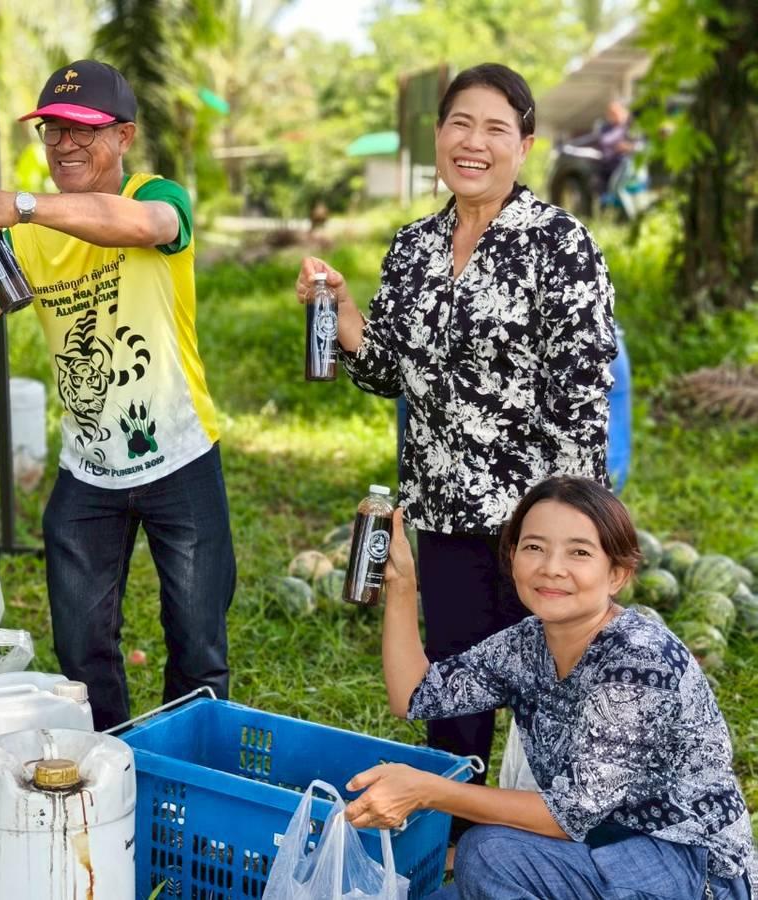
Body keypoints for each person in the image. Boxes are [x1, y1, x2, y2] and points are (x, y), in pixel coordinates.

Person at [295, 63, 617, 808]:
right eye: (460, 125)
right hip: (441, 519)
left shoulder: (560, 246)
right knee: (455, 707)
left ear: (525, 145)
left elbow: (581, 407)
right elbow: (386, 368)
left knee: (555, 713)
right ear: (438, 136)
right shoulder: (414, 246)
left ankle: (547, 862)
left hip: (534, 533)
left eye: (496, 129)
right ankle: (458, 849)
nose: (475, 143)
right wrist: (340, 309)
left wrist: (569, 543)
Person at [0, 59, 235, 731]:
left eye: (83, 130)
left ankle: (185, 785)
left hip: (179, 457)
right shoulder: (26, 239)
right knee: (82, 651)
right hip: (88, 471)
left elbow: (144, 226)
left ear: (124, 138)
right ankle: (112, 767)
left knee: (198, 648)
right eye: (52, 130)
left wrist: (21, 204)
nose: (64, 144)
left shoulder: (160, 195)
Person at [344, 476, 754, 899]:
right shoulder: (528, 643)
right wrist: (401, 584)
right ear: (513, 557)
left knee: (487, 853)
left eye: (578, 552)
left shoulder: (639, 662)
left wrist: (428, 790)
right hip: (597, 846)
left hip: (688, 869)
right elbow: (414, 694)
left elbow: (566, 815)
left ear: (617, 574)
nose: (551, 567)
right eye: (534, 547)